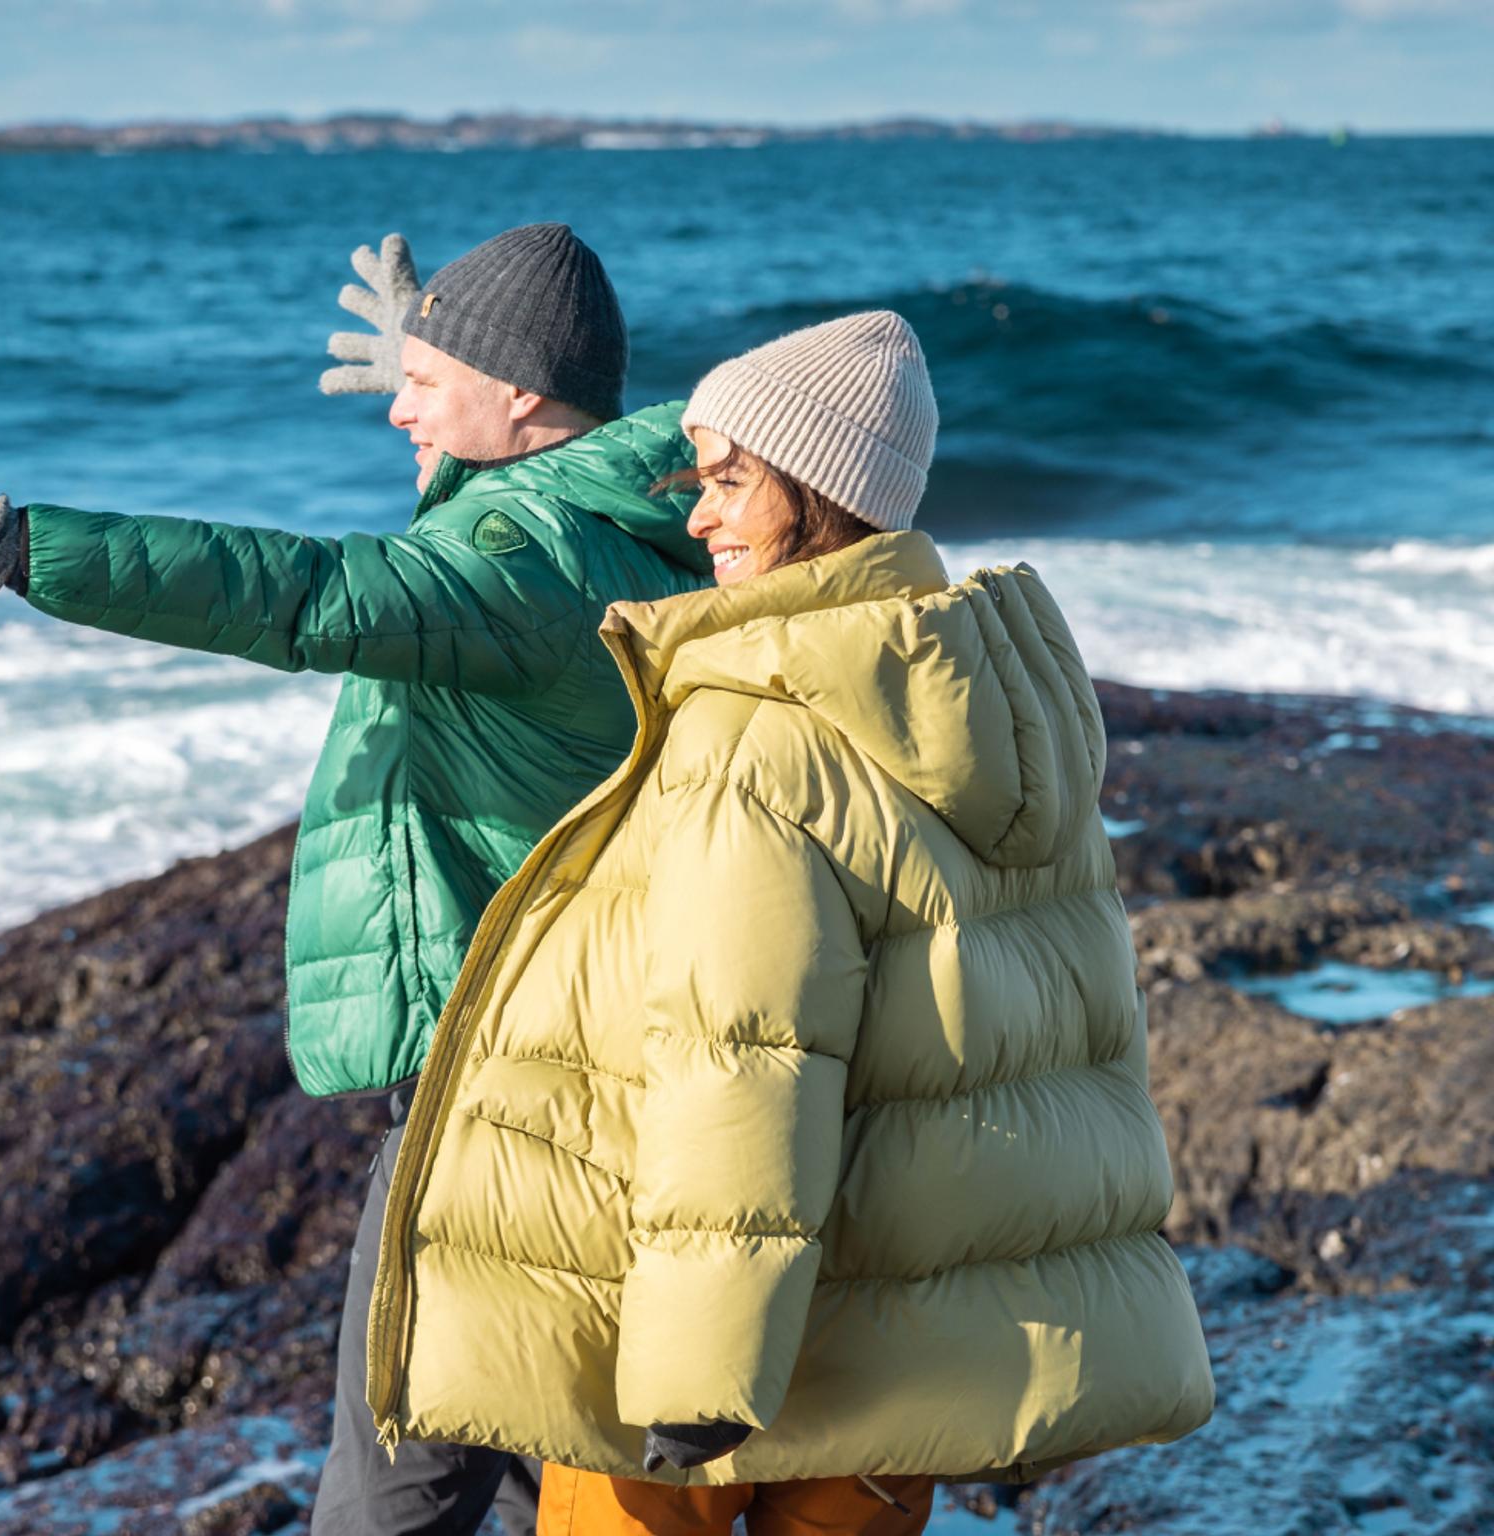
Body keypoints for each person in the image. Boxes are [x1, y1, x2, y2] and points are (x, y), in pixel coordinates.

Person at [0, 222, 712, 1535]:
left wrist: (20, 546)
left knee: (397, 1501)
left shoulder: (523, 564)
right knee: (538, 1472)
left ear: (525, 398)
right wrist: (451, 389)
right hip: (563, 1077)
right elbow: (469, 546)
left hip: (501, 1108)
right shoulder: (596, 530)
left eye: (423, 381)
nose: (395, 403)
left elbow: (296, 592)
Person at [362, 311, 1216, 1535]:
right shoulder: (993, 695)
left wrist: (692, 1379)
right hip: (915, 1341)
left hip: (712, 1372)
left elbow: (744, 1060)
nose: (696, 518)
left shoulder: (758, 728)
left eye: (726, 483)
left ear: (816, 494)